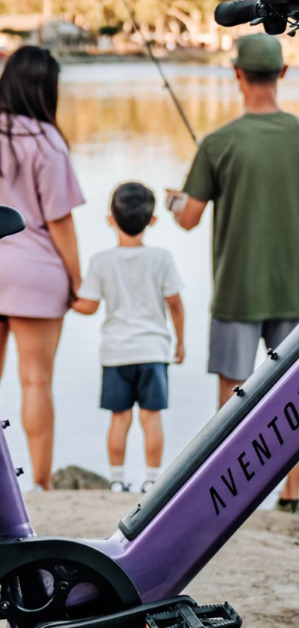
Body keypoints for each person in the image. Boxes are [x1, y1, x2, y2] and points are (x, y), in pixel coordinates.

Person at [165, 34, 299, 511]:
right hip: (295, 290)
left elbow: (188, 217)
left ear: (237, 75)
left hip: (237, 292)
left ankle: (232, 497)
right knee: (294, 397)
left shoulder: (218, 143)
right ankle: (293, 492)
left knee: (233, 394)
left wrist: (174, 201)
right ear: (282, 75)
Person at [0, 45, 84, 490]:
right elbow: (59, 220)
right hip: (37, 275)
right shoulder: (46, 139)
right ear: (47, 88)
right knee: (36, 381)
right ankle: (41, 486)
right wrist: (78, 281)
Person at [71, 183, 185, 492]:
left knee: (119, 419)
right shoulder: (162, 258)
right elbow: (174, 303)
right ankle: (151, 478)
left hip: (116, 353)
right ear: (153, 221)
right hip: (153, 351)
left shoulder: (100, 261)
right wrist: (180, 341)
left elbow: (89, 306)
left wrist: (68, 299)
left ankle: (118, 480)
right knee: (152, 418)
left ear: (111, 219)